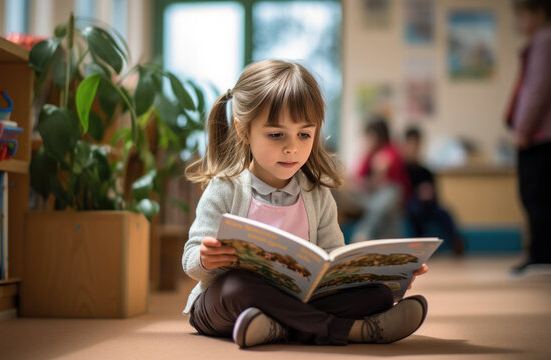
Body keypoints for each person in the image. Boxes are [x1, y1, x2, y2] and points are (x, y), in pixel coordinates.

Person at [182, 60, 429, 348]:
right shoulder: (226, 187)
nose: (293, 147)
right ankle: (347, 331)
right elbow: (190, 261)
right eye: (276, 134)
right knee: (237, 287)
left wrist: (391, 275)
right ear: (243, 130)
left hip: (295, 301)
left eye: (304, 134)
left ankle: (277, 328)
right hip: (228, 304)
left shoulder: (317, 194)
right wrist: (204, 259)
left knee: (379, 296)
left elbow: (334, 262)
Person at [507, 0, 551, 273]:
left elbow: (538, 90)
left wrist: (523, 129)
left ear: (538, 12)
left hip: (541, 134)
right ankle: (541, 254)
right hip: (541, 133)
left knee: (538, 195)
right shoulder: (545, 39)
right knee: (537, 195)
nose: (519, 22)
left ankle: (545, 256)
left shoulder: (547, 40)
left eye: (521, 14)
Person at [402, 127, 465, 256]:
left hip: (430, 205)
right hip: (412, 205)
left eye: (417, 145)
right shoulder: (403, 170)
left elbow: (437, 196)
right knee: (415, 209)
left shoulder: (426, 171)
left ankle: (456, 241)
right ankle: (422, 246)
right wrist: (418, 194)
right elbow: (403, 194)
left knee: (444, 212)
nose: (414, 149)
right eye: (411, 145)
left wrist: (430, 194)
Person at [350, 118, 411, 242]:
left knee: (389, 193)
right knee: (385, 208)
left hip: (391, 196)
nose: (367, 140)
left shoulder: (391, 151)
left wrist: (372, 181)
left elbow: (381, 174)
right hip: (373, 199)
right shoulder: (369, 154)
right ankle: (393, 246)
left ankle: (363, 234)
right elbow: (357, 178)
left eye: (369, 137)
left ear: (378, 136)